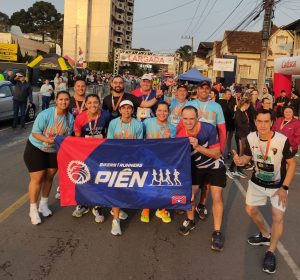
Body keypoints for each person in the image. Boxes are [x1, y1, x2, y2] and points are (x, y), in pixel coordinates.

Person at [233, 109, 296, 274]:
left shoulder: (282, 140)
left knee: (277, 216)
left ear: (271, 123)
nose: (262, 125)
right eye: (259, 121)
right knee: (250, 210)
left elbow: (292, 164)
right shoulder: (251, 137)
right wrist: (240, 160)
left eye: (266, 121)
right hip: (257, 183)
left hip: (278, 186)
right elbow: (248, 157)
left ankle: (271, 252)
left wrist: (285, 187)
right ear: (255, 122)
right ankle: (265, 234)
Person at [177, 106, 226, 252]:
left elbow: (217, 154)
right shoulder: (180, 133)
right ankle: (191, 220)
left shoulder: (209, 129)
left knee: (216, 196)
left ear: (197, 117)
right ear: (181, 119)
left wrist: (197, 147)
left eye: (192, 118)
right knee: (189, 195)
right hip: (196, 167)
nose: (188, 121)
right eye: (185, 118)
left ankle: (217, 232)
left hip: (214, 165)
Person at [23, 91, 74, 225]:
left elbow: (67, 136)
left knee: (50, 175)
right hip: (36, 148)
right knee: (38, 177)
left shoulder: (70, 118)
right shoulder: (45, 114)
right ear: (56, 101)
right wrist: (49, 140)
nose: (64, 102)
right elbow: (35, 133)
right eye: (61, 99)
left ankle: (43, 204)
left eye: (66, 100)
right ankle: (33, 209)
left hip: (53, 150)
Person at [183, 80, 226, 221]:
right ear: (197, 90)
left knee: (207, 182)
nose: (204, 91)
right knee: (195, 178)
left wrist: (222, 148)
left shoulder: (216, 106)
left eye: (207, 89)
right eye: (202, 88)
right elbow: (184, 124)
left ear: (210, 91)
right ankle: (189, 206)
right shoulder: (190, 104)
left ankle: (201, 204)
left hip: (211, 144)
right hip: (194, 145)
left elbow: (222, 128)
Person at [107, 100, 144, 235]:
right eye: (124, 108)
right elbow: (110, 143)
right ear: (120, 110)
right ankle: (115, 220)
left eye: (129, 108)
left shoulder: (138, 125)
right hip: (116, 160)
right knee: (116, 188)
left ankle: (116, 208)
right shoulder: (113, 123)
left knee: (126, 188)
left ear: (132, 110)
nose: (127, 110)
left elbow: (139, 146)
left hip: (131, 161)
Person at [72, 93, 111, 223]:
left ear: (99, 104)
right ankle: (83, 203)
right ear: (86, 104)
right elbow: (77, 138)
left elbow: (108, 132)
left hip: (101, 152)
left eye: (95, 102)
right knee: (84, 178)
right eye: (90, 103)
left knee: (98, 178)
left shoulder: (105, 115)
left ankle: (98, 206)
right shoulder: (80, 118)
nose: (93, 105)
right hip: (85, 153)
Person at [141, 101, 175, 224]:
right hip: (148, 159)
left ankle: (161, 209)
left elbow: (175, 148)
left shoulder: (172, 128)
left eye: (165, 111)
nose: (162, 113)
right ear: (155, 112)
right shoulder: (147, 122)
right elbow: (140, 137)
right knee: (147, 183)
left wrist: (170, 139)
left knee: (162, 185)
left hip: (164, 161)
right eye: (159, 110)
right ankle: (146, 208)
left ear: (168, 112)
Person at [227, 98, 251, 179]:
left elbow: (246, 123)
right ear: (245, 104)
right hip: (240, 135)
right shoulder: (238, 112)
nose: (249, 106)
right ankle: (231, 169)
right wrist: (248, 131)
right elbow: (239, 124)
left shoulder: (244, 112)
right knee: (240, 154)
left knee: (241, 153)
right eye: (248, 104)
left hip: (244, 135)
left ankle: (238, 169)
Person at [218, 89, 235, 159]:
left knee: (229, 138)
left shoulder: (232, 101)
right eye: (227, 94)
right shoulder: (220, 101)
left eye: (230, 94)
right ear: (224, 94)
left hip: (231, 122)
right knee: (222, 138)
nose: (229, 96)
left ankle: (228, 152)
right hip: (223, 122)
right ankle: (220, 153)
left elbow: (234, 110)